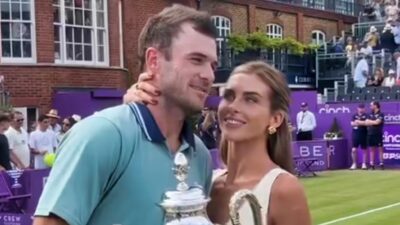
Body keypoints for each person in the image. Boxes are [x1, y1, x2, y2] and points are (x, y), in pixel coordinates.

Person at [33, 4, 217, 225]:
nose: (208, 75)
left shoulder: (201, 156)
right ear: (154, 61)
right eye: (196, 60)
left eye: (213, 65)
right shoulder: (99, 135)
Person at [126, 61, 311, 225]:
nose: (233, 107)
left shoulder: (283, 190)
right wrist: (134, 112)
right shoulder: (207, 182)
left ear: (275, 119)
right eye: (229, 96)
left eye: (251, 99)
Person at [363, 101, 385, 170]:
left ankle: (381, 164)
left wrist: (371, 122)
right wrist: (373, 122)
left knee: (380, 149)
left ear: (375, 106)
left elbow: (378, 122)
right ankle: (372, 165)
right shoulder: (370, 114)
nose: (370, 107)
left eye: (371, 105)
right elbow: (366, 123)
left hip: (378, 134)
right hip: (370, 134)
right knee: (371, 149)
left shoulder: (381, 114)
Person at [350, 104, 368, 170]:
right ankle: (354, 164)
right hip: (355, 134)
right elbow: (352, 124)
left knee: (364, 150)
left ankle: (364, 164)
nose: (361, 109)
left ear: (364, 109)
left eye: (362, 108)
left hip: (364, 134)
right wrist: (361, 123)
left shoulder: (366, 115)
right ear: (357, 108)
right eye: (360, 108)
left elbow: (366, 123)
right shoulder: (354, 115)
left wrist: (358, 122)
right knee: (354, 150)